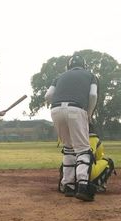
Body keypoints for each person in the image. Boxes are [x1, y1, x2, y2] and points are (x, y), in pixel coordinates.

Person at [45, 54, 98, 201]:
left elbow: (48, 95)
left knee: (68, 148)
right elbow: (93, 95)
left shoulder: (59, 77)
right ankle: (82, 185)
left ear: (69, 66)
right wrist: (89, 113)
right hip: (76, 109)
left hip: (55, 110)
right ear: (84, 65)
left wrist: (55, 105)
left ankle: (68, 185)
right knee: (82, 149)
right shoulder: (91, 76)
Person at [58, 124, 116, 194]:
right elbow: (97, 158)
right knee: (109, 162)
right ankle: (97, 186)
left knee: (67, 161)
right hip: (85, 173)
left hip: (69, 174)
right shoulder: (94, 138)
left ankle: (66, 184)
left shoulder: (70, 138)